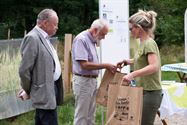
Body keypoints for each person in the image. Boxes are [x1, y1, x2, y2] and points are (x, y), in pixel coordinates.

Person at [117, 10, 163, 125]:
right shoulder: (142, 43)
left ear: (138, 28)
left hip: (151, 92)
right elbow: (143, 60)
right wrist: (128, 62)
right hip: (143, 91)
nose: (130, 32)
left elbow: (154, 66)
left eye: (130, 29)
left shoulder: (149, 43)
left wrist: (132, 74)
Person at [19, 8, 63, 125]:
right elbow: (24, 70)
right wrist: (28, 90)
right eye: (55, 24)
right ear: (45, 23)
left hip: (49, 91)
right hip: (43, 93)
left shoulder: (44, 38)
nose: (56, 27)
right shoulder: (32, 38)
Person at [72, 19, 117, 125]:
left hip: (91, 81)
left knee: (90, 115)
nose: (104, 37)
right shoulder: (81, 39)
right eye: (103, 34)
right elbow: (85, 65)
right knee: (82, 115)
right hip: (83, 81)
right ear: (95, 30)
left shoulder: (92, 40)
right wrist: (105, 65)